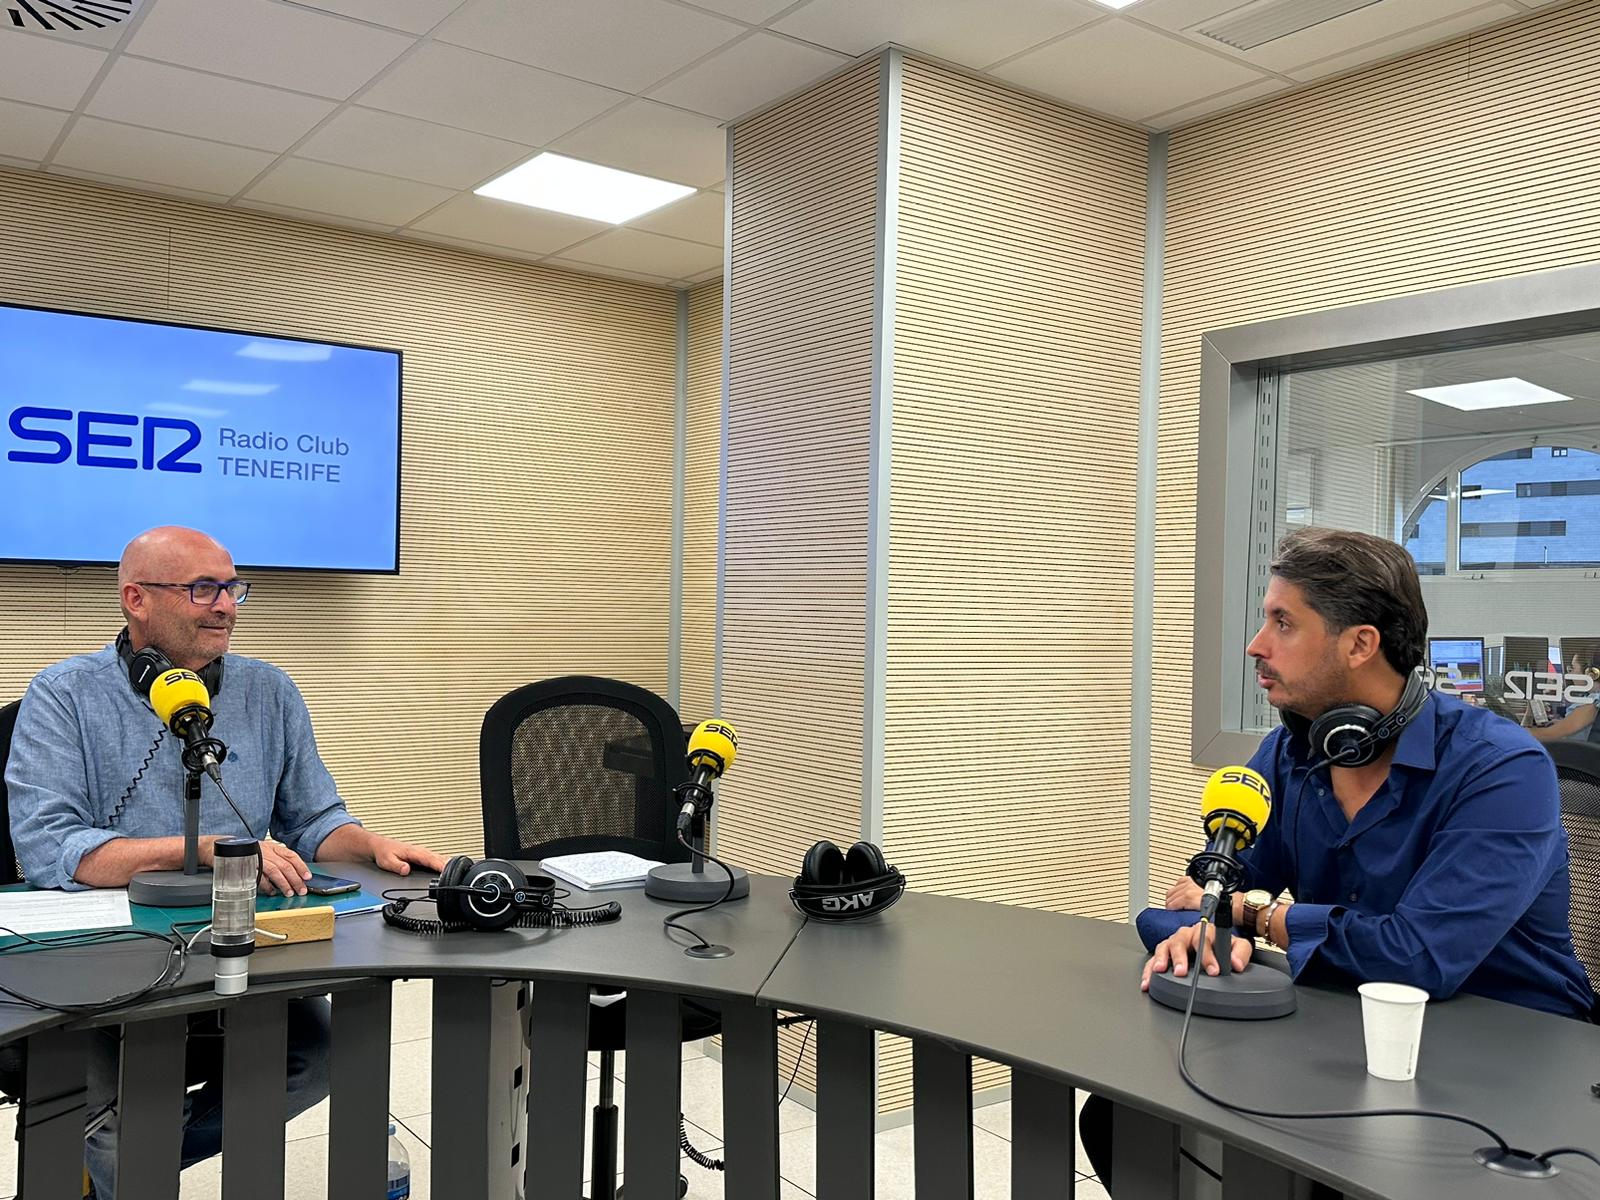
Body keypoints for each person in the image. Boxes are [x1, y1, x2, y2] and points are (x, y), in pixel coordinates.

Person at [1082, 528, 1595, 1191]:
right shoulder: (1289, 755)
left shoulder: (1501, 769)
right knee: (1122, 1119)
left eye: (1283, 623)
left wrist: (1253, 918)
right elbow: (1180, 910)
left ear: (1360, 644)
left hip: (1516, 1062)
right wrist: (1217, 922)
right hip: (1348, 1042)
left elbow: (1419, 959)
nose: (1255, 646)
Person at [5, 526, 447, 1198]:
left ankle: (125, 1156)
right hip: (99, 962)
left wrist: (370, 845)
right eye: (202, 589)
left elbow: (314, 818)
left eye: (232, 587)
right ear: (135, 599)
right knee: (108, 1120)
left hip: (236, 944)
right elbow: (49, 849)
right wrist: (210, 852)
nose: (227, 606)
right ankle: (113, 1153)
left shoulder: (268, 692)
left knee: (318, 1059)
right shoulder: (63, 695)